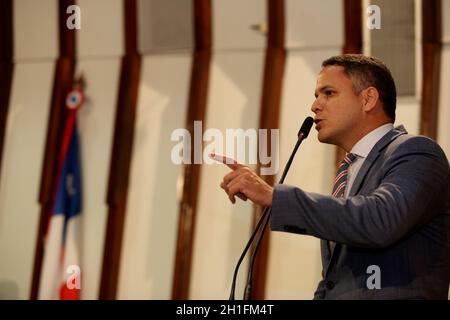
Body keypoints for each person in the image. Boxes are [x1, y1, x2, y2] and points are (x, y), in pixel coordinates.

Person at [218, 54, 450, 299]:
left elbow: (380, 220)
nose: (315, 105)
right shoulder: (348, 171)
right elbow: (333, 282)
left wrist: (274, 196)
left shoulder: (416, 152)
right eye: (316, 95)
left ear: (368, 99)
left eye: (328, 93)